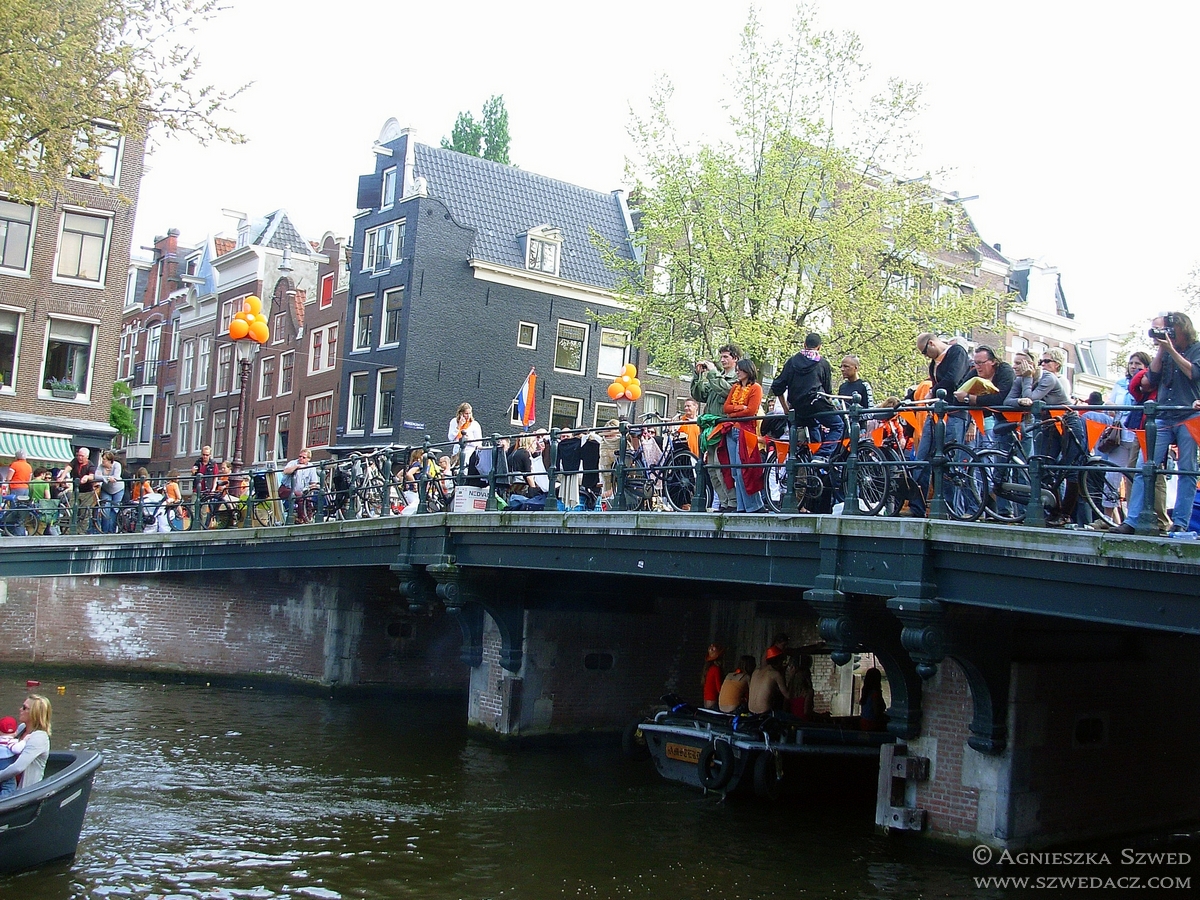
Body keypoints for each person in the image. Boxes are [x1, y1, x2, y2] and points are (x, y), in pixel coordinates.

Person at [1115, 313, 1200, 535]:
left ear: (1180, 329)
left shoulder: (1197, 349)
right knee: (1145, 467)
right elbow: (1150, 380)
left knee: (1187, 470)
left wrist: (1171, 349)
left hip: (1189, 415)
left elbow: (1193, 373)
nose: (1159, 334)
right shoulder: (1165, 351)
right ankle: (1132, 521)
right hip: (1162, 415)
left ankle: (1180, 523)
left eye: (1165, 330)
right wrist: (1162, 349)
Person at [909, 333, 971, 516]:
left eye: (924, 351)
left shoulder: (957, 352)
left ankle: (948, 509)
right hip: (935, 414)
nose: (925, 356)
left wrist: (932, 393)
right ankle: (917, 507)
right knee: (922, 459)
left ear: (932, 343)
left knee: (948, 462)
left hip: (953, 413)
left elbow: (952, 379)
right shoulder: (933, 364)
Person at [770, 333, 843, 458]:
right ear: (819, 347)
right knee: (838, 425)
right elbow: (827, 392)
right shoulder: (823, 363)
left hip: (797, 408)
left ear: (804, 344)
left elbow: (777, 386)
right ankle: (821, 455)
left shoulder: (792, 362)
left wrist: (786, 408)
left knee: (812, 426)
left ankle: (809, 460)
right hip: (816, 405)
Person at [691, 344, 741, 512]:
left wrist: (712, 372)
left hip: (724, 428)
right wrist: (698, 375)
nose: (722, 360)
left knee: (722, 467)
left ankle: (733, 502)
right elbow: (700, 395)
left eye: (726, 356)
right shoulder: (718, 377)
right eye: (721, 357)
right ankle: (724, 502)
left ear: (735, 359)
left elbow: (727, 391)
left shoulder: (736, 379)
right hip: (711, 429)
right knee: (712, 468)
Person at [720, 359, 764, 513]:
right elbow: (726, 408)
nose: (737, 372)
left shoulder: (756, 388)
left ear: (748, 370)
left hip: (745, 432)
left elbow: (751, 411)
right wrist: (740, 408)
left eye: (740, 369)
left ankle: (754, 506)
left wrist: (733, 412)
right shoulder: (735, 387)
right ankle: (741, 506)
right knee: (734, 471)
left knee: (743, 469)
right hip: (731, 430)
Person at [954, 345, 1015, 448]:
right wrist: (966, 398)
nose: (977, 366)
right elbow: (957, 396)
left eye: (980, 363)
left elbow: (1001, 398)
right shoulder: (974, 373)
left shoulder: (1005, 370)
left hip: (1011, 418)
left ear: (993, 361)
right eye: (975, 363)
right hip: (988, 419)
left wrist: (971, 398)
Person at [4, 694, 51, 790]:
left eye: (24, 708)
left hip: (23, 791)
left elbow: (18, 768)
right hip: (8, 783)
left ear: (35, 713)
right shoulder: (22, 728)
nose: (20, 709)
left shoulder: (39, 738)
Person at [748, 645, 791, 714]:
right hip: (765, 713)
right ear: (779, 661)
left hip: (751, 712)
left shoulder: (755, 672)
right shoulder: (775, 674)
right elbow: (788, 695)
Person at [281, 448, 320, 523]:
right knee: (300, 497)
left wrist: (310, 489)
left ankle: (308, 519)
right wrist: (297, 467)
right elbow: (285, 471)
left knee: (308, 500)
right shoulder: (293, 463)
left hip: (301, 491)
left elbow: (313, 482)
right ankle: (301, 518)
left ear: (308, 459)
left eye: (303, 457)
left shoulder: (311, 467)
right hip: (286, 489)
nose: (301, 458)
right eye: (300, 456)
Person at [69, 446, 99, 533]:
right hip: (76, 490)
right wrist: (62, 477)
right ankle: (71, 530)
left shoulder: (90, 465)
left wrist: (86, 477)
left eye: (82, 456)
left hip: (87, 491)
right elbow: (68, 468)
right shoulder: (75, 461)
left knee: (85, 513)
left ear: (87, 457)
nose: (79, 457)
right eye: (78, 455)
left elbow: (92, 475)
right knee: (72, 510)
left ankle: (82, 532)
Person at [448, 403, 483, 468]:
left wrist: (469, 440)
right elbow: (451, 438)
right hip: (456, 453)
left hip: (469, 453)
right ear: (461, 413)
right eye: (466, 413)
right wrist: (459, 426)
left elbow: (479, 443)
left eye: (470, 413)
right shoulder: (454, 422)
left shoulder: (475, 424)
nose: (468, 416)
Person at [0, 714, 25, 797]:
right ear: (16, 732)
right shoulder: (11, 741)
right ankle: (4, 801)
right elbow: (16, 749)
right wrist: (24, 741)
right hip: (6, 768)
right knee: (9, 787)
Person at [701, 643, 724, 710]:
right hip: (713, 703)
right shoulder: (716, 669)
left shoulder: (708, 669)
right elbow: (719, 688)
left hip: (707, 702)